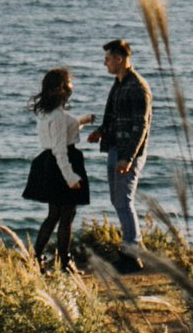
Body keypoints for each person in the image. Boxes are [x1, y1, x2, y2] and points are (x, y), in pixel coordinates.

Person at [20, 66, 91, 270]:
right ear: (62, 88)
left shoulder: (48, 112)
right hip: (63, 163)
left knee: (54, 214)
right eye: (69, 81)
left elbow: (62, 132)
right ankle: (64, 261)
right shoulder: (59, 116)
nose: (72, 85)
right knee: (67, 215)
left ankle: (36, 259)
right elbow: (60, 148)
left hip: (49, 163)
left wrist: (82, 121)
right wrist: (70, 177)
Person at [95, 38, 150, 256]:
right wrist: (101, 132)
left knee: (124, 200)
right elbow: (115, 116)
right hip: (115, 148)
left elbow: (141, 126)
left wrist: (128, 158)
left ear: (119, 59)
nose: (104, 63)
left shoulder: (137, 87)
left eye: (108, 59)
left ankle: (132, 249)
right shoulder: (119, 84)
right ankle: (134, 244)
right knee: (117, 199)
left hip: (128, 153)